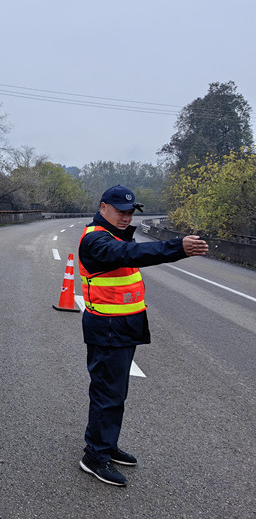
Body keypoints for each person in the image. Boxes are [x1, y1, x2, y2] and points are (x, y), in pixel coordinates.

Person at [77, 184, 209, 487]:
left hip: (122, 327)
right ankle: (94, 456)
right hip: (107, 328)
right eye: (120, 211)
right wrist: (177, 247)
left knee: (116, 393)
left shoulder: (112, 235)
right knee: (107, 394)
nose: (126, 217)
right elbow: (129, 253)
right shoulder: (96, 240)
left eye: (130, 212)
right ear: (103, 208)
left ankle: (106, 445)